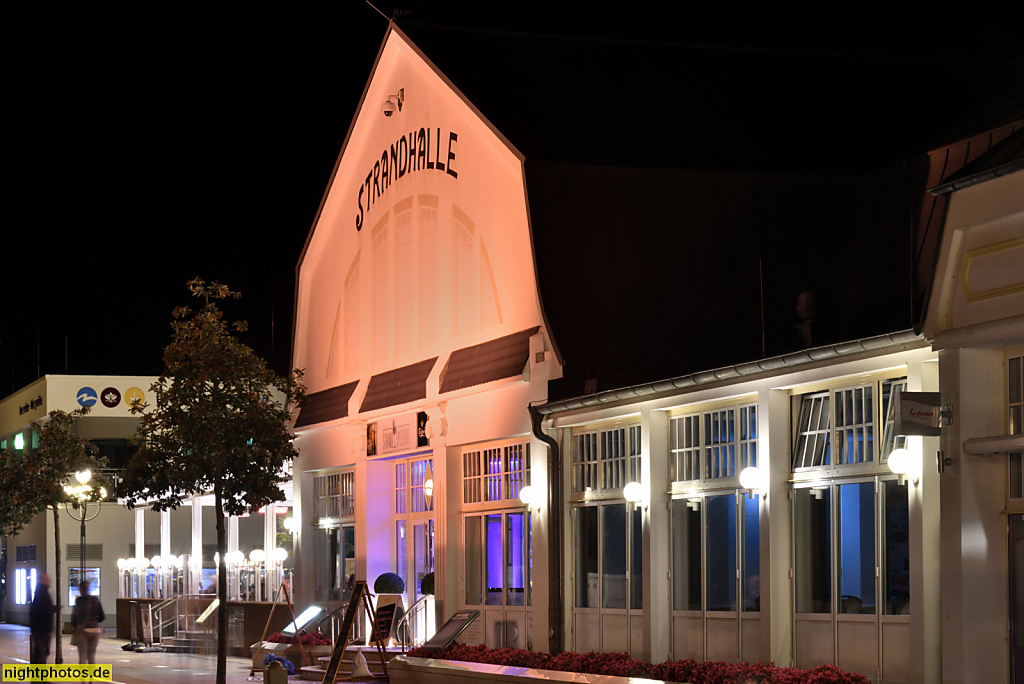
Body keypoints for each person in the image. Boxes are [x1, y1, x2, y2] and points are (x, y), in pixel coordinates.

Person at [72, 580, 105, 664]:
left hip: (83, 630)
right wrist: (95, 621)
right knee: (91, 657)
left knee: (82, 656)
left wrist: (75, 626)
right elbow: (102, 616)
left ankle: (83, 676)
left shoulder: (79, 601)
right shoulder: (96, 600)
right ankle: (91, 676)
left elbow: (75, 616)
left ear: (81, 590)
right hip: (95, 630)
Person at [28, 573, 55, 664]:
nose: (49, 582)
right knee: (42, 653)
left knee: (39, 652)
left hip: (38, 628)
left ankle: (37, 674)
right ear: (42, 581)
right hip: (43, 629)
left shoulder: (39, 593)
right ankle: (40, 675)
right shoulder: (43, 594)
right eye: (47, 580)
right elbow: (46, 609)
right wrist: (56, 608)